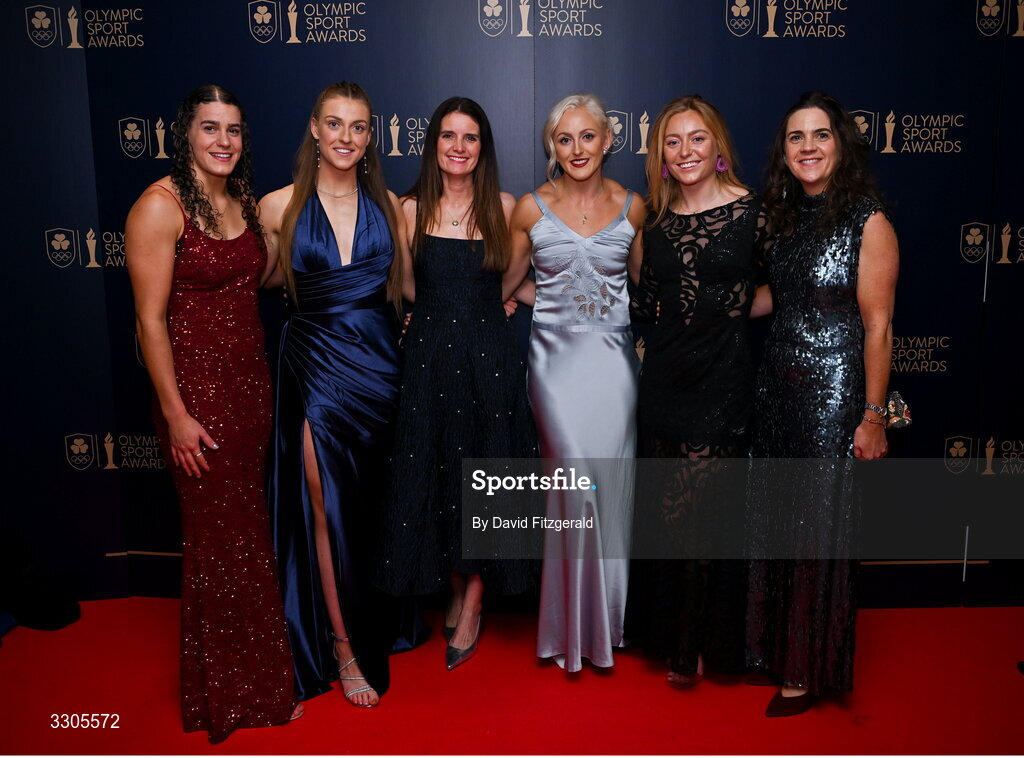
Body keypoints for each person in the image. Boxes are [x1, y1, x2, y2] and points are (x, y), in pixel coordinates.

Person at [125, 84, 298, 743]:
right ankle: (224, 697)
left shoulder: (242, 202)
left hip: (251, 387)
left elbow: (260, 282)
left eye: (233, 130)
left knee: (246, 541)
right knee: (217, 546)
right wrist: (175, 414)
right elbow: (149, 321)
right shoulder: (159, 207)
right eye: (210, 128)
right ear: (186, 135)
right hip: (197, 397)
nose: (223, 140)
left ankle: (253, 685)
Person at [747, 90, 898, 716]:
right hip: (777, 387)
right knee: (779, 521)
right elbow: (776, 300)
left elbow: (879, 326)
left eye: (820, 135)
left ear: (840, 145)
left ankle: (805, 671)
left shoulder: (869, 221)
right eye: (796, 137)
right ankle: (778, 649)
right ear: (784, 152)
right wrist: (701, 308)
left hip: (832, 397)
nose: (808, 147)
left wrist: (872, 416)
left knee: (813, 530)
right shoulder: (781, 217)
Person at [375, 97, 537, 670]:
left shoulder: (505, 206)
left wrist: (498, 304)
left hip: (490, 356)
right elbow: (404, 286)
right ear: (434, 144)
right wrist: (439, 311)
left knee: (487, 469)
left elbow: (516, 279)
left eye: (470, 138)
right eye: (448, 136)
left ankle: (474, 599)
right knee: (437, 468)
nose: (459, 148)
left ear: (483, 147)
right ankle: (451, 583)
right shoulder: (409, 208)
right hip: (428, 357)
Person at [260, 81, 406, 708]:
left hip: (379, 371)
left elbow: (406, 292)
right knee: (323, 503)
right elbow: (252, 282)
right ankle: (344, 646)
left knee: (371, 506)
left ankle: (380, 618)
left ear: (370, 136)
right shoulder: (278, 206)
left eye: (359, 126)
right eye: (335, 124)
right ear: (314, 129)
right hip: (315, 366)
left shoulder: (391, 205)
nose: (347, 137)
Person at [625, 95, 771, 689]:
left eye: (697, 139)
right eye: (673, 142)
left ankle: (701, 644)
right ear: (661, 154)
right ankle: (670, 637)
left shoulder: (755, 214)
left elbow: (780, 291)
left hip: (724, 378)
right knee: (669, 508)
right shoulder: (653, 226)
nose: (685, 151)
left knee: (708, 509)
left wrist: (728, 310)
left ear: (718, 148)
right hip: (664, 380)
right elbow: (640, 301)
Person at [506, 93, 647, 672]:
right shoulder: (530, 210)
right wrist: (552, 305)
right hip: (555, 364)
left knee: (609, 490)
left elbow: (643, 289)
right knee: (573, 483)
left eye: (587, 137)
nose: (577, 148)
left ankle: (607, 624)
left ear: (608, 140)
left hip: (614, 364)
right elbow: (508, 284)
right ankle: (568, 630)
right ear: (552, 149)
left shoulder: (634, 206)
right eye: (565, 139)